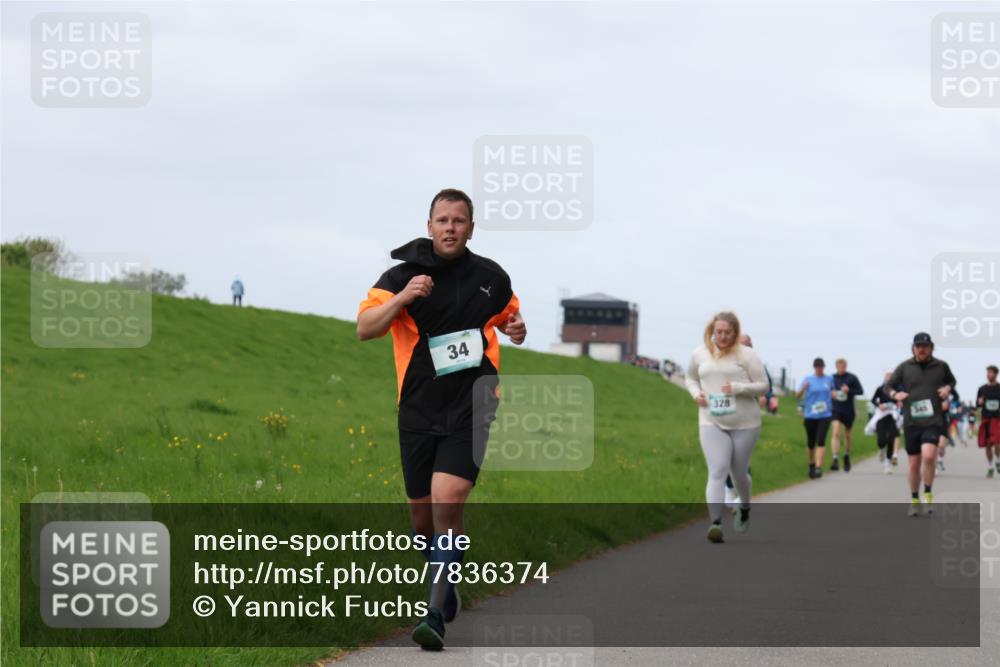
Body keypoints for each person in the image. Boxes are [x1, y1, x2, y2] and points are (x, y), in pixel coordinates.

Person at [356, 188, 525, 650]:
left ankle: (433, 615)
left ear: (471, 228)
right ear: (429, 226)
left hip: (473, 404)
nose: (451, 228)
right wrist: (403, 298)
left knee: (447, 502)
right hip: (417, 408)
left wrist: (517, 328)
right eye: (443, 220)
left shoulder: (491, 277)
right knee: (422, 520)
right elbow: (366, 328)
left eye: (459, 220)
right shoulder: (400, 276)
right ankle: (445, 579)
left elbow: (511, 319)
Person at [686, 312, 769, 543]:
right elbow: (690, 378)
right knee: (717, 471)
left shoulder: (747, 355)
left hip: (745, 423)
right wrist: (696, 394)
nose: (722, 336)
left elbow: (763, 386)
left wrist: (738, 388)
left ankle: (744, 506)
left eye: (727, 333)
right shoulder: (699, 353)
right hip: (710, 420)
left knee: (738, 472)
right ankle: (715, 523)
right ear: (712, 331)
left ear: (735, 332)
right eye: (718, 332)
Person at [885, 333, 956, 516]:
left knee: (929, 456)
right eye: (918, 346)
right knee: (914, 464)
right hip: (912, 422)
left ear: (931, 347)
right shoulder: (905, 367)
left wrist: (947, 389)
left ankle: (928, 494)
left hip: (933, 420)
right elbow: (888, 386)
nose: (921, 349)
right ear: (913, 348)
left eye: (925, 346)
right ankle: (915, 499)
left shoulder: (941, 366)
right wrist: (895, 395)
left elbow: (951, 381)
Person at [798, 358, 835, 479]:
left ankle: (818, 467)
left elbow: (833, 392)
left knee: (821, 440)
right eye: (817, 367)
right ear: (814, 368)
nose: (819, 369)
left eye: (821, 367)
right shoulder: (808, 379)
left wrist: (834, 394)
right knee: (810, 443)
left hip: (825, 415)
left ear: (824, 367)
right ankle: (811, 464)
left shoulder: (829, 379)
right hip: (810, 415)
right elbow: (797, 395)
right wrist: (803, 388)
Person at [829, 358, 863, 472]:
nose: (841, 369)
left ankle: (846, 455)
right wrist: (831, 393)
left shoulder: (852, 378)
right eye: (839, 367)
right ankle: (835, 458)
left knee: (847, 434)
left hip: (848, 410)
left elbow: (860, 391)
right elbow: (826, 390)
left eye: (843, 366)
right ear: (836, 367)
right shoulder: (831, 378)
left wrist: (849, 390)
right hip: (836, 409)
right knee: (836, 432)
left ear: (846, 366)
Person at [868, 371, 902, 474]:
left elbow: (900, 400)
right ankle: (881, 449)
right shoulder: (880, 388)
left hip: (892, 416)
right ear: (884, 377)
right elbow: (873, 400)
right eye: (887, 376)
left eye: (891, 376)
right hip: (881, 415)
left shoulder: (897, 389)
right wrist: (879, 405)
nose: (889, 378)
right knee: (881, 440)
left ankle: (887, 464)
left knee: (891, 439)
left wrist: (899, 403)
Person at [977, 365, 1000, 477]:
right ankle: (990, 467)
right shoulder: (982, 389)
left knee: (997, 442)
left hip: (997, 419)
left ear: (996, 374)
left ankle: (998, 461)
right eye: (987, 372)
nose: (988, 375)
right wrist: (979, 402)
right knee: (987, 445)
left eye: (990, 372)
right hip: (986, 419)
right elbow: (977, 404)